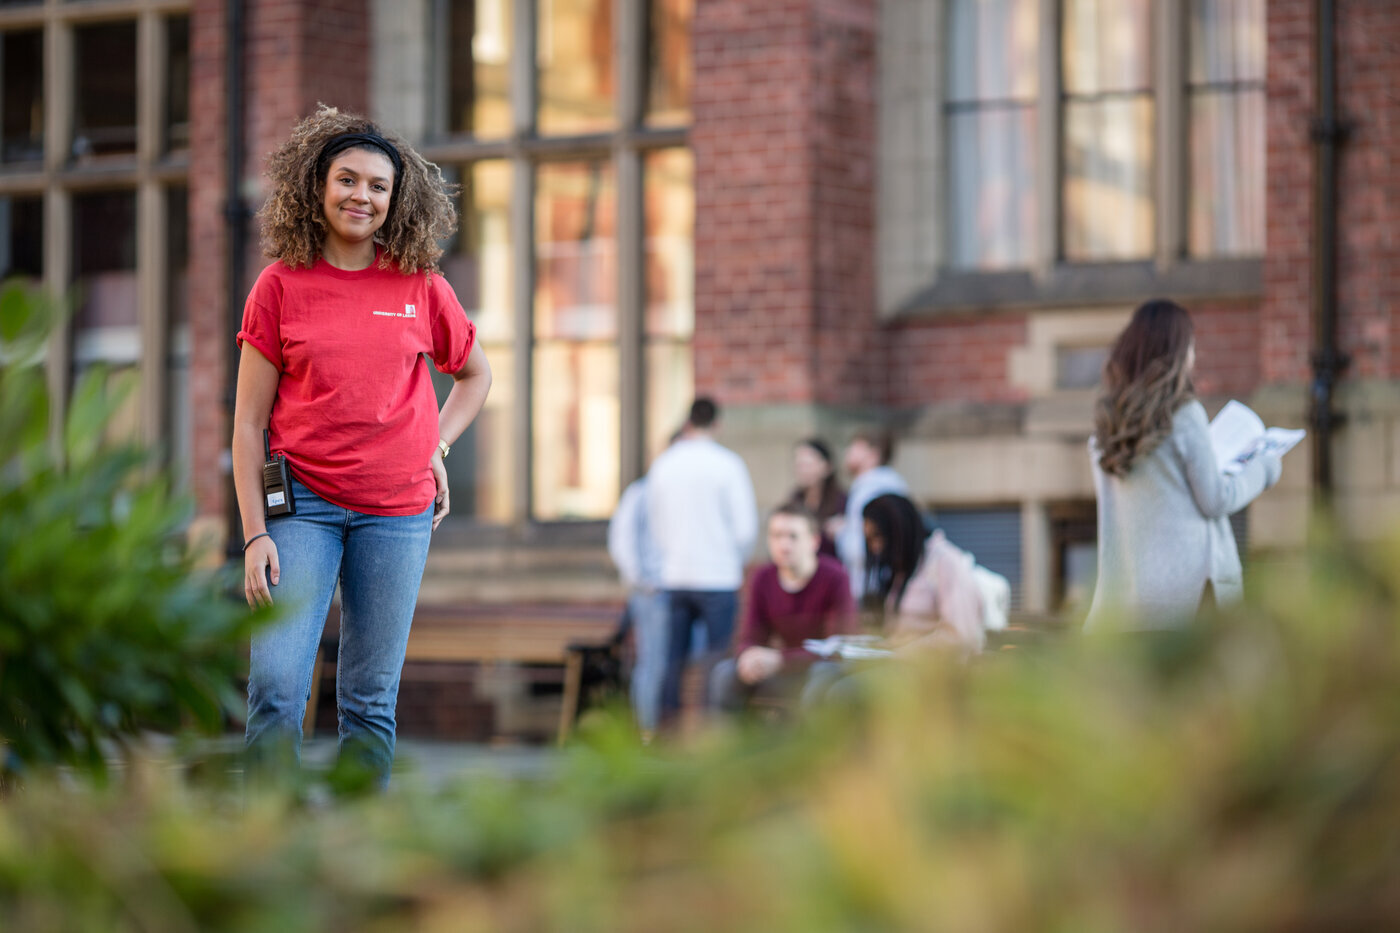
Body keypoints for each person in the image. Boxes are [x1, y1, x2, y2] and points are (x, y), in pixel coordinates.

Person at [232, 107, 491, 788]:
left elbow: (474, 374)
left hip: (397, 513)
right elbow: (247, 425)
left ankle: (357, 846)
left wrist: (435, 443)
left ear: (394, 199)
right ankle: (264, 838)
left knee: (370, 700)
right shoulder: (279, 286)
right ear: (318, 187)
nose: (361, 196)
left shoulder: (420, 285)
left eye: (378, 186)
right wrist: (257, 533)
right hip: (302, 507)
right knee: (279, 686)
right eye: (348, 180)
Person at [1084, 299, 1281, 631]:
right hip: (1189, 599)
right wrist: (1264, 468)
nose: (1194, 357)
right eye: (1190, 346)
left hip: (1128, 604)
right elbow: (1215, 499)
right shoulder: (1185, 416)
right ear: (1176, 352)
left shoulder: (1107, 428)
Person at [646, 398, 758, 726]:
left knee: (673, 659)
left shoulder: (664, 464)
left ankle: (666, 730)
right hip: (718, 576)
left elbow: (656, 522)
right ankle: (711, 730)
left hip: (676, 574)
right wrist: (734, 561)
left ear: (687, 423)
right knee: (716, 658)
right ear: (717, 424)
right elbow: (745, 528)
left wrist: (669, 555)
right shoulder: (728, 464)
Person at [710, 503, 856, 714]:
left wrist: (780, 659)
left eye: (793, 536)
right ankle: (732, 745)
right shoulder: (762, 577)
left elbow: (836, 647)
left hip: (819, 667)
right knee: (724, 675)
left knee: (821, 678)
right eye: (776, 536)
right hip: (781, 668)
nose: (784, 545)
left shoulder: (835, 577)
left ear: (814, 541)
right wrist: (748, 656)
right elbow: (748, 636)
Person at [861, 494, 989, 656]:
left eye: (878, 537)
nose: (875, 548)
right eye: (869, 540)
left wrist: (904, 652)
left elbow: (961, 636)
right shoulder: (905, 569)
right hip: (902, 672)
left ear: (900, 529)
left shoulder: (945, 561)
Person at [607, 469, 667, 741]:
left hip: (685, 587)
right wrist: (641, 580)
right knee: (652, 662)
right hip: (652, 591)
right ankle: (648, 732)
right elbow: (622, 539)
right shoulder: (642, 491)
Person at [834, 429, 909, 598]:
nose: (848, 452)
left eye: (855, 447)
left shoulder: (874, 488)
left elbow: (867, 542)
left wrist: (840, 533)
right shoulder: (879, 484)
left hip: (874, 586)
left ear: (873, 454)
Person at [785, 438, 847, 559]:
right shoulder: (794, 500)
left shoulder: (842, 501)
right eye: (798, 464)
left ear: (827, 467)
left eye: (807, 464)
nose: (802, 470)